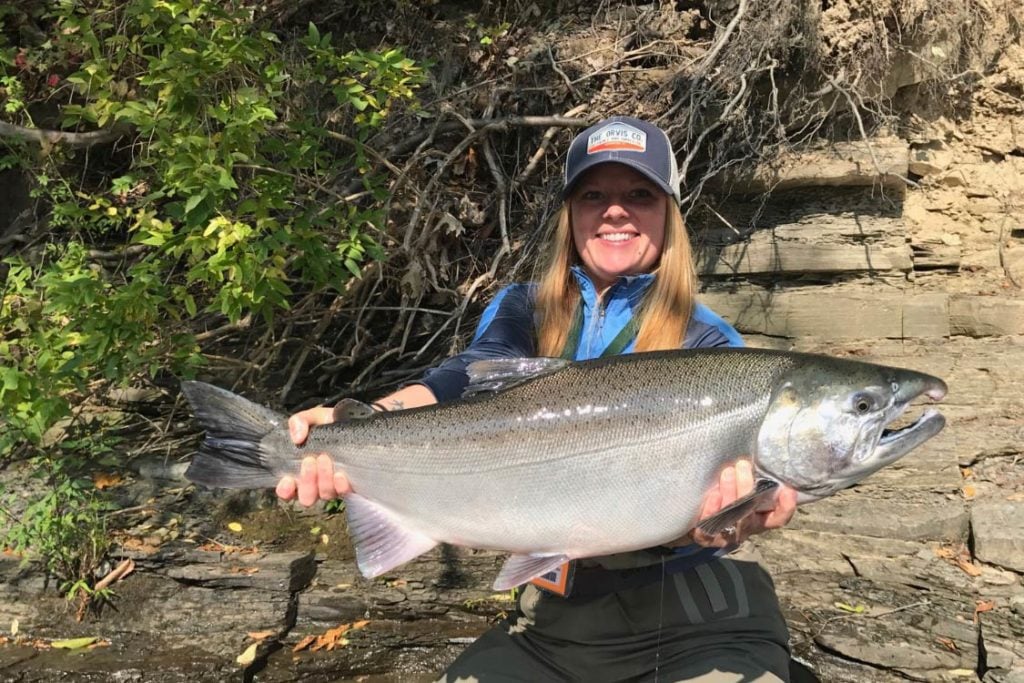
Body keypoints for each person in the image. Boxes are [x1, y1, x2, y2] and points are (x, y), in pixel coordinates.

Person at [277, 116, 800, 682]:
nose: (615, 211)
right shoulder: (523, 307)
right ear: (570, 214)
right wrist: (363, 423)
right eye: (593, 194)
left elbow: (754, 483)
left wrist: (737, 516)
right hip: (551, 621)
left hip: (698, 619)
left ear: (668, 213)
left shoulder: (711, 342)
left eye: (640, 195)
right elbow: (460, 380)